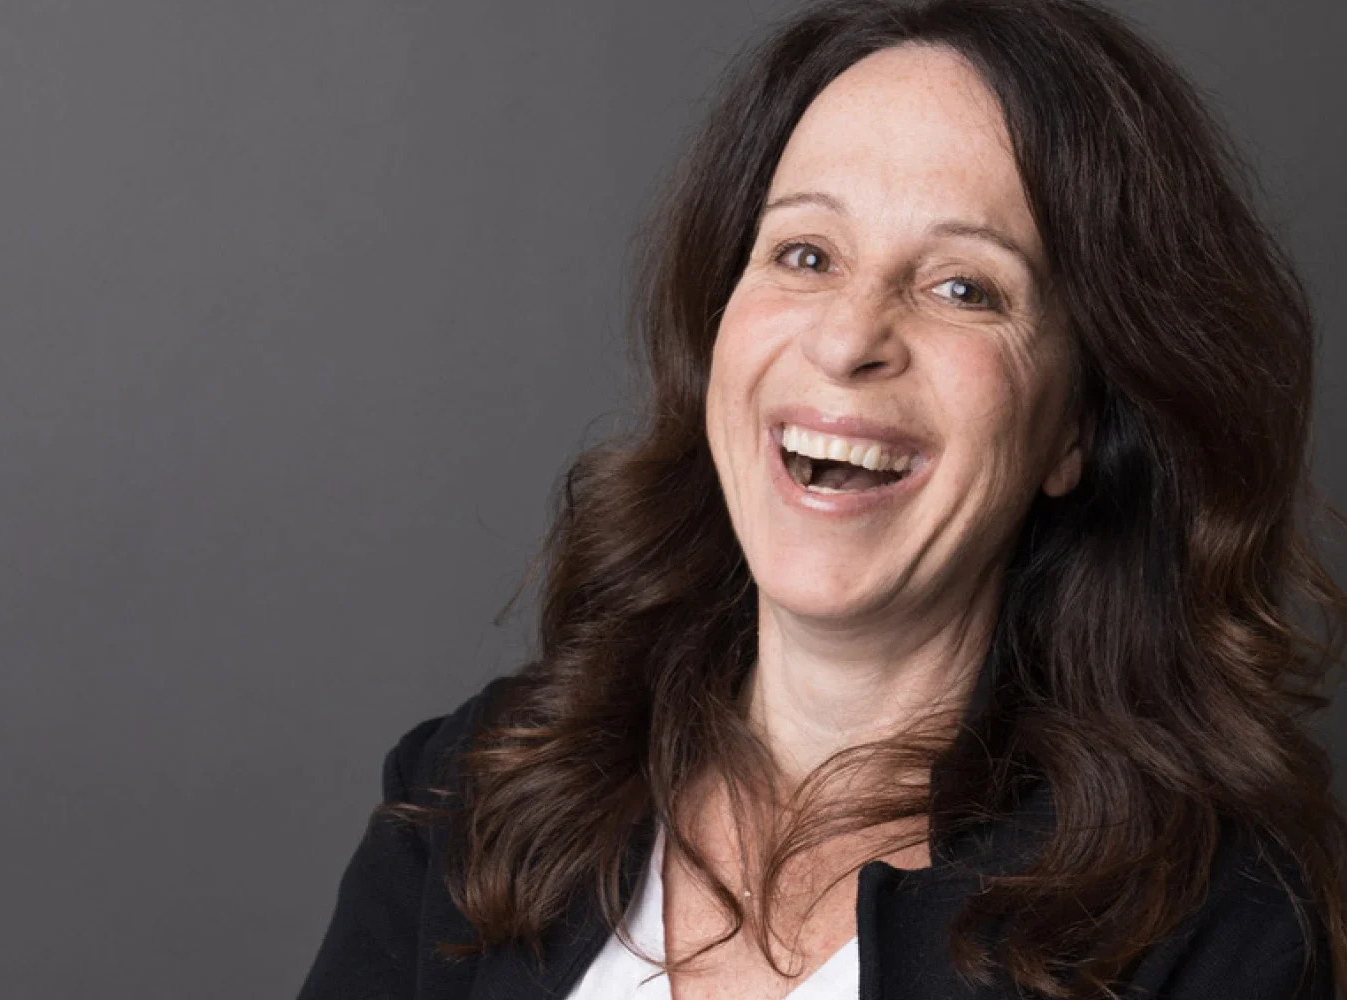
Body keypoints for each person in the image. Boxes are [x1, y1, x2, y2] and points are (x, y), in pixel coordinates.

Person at [298, 1, 1347, 997]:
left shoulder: (1219, 927)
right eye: (805, 254)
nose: (849, 339)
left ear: (1076, 426)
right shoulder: (470, 797)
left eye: (963, 288)